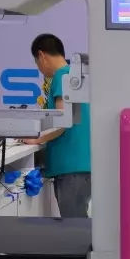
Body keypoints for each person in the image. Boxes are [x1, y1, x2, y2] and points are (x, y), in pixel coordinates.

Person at [22, 33, 91, 218]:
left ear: (41, 55)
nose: (39, 68)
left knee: (73, 226)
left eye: (36, 62)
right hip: (84, 164)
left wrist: (37, 138)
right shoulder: (77, 77)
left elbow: (63, 121)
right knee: (79, 223)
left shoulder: (61, 76)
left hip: (71, 168)